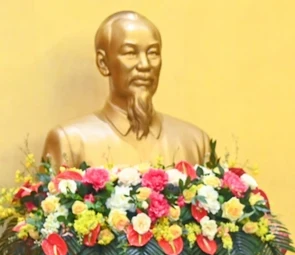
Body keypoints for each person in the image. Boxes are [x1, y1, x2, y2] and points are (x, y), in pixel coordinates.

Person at [43, 11, 209, 168]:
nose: (145, 65)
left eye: (153, 53)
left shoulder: (194, 142)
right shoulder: (70, 142)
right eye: (130, 53)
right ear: (103, 63)